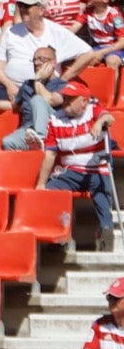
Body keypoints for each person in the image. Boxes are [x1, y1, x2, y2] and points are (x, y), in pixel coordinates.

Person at [39, 82, 116, 251]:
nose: (66, 101)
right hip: (70, 171)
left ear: (83, 101)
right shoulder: (55, 120)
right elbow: (50, 154)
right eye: (65, 97)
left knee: (101, 192)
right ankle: (62, 236)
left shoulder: (93, 110)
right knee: (51, 191)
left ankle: (106, 230)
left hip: (96, 168)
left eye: (70, 99)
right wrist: (41, 184)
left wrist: (99, 122)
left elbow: (109, 118)